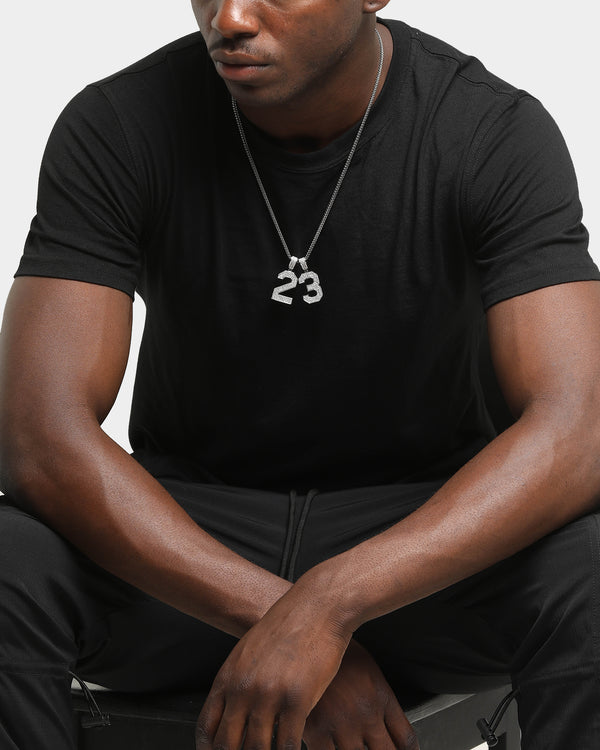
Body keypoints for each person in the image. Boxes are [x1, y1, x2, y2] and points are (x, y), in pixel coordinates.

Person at [1, 0, 599, 748]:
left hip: (421, 542)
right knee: (10, 556)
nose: (230, 17)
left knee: (591, 562)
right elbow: (39, 439)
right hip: (190, 539)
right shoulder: (118, 123)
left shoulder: (490, 130)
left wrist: (330, 606)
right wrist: (277, 617)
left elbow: (577, 432)